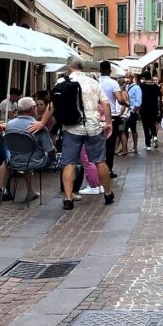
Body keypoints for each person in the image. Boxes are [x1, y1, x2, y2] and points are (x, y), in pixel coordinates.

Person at [32, 58, 113, 211]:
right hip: (93, 127)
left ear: (70, 67)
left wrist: (42, 123)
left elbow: (52, 105)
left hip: (72, 128)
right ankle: (108, 194)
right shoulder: (93, 83)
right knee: (100, 161)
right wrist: (108, 123)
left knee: (68, 163)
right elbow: (106, 103)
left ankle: (68, 199)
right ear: (82, 67)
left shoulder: (62, 82)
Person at [5, 96, 56, 201]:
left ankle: (31, 191)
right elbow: (49, 149)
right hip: (36, 161)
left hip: (15, 160)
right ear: (33, 108)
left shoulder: (9, 125)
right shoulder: (37, 126)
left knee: (26, 154)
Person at [99, 61, 127, 175]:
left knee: (99, 144)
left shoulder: (95, 82)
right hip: (112, 116)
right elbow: (120, 100)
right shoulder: (113, 83)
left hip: (98, 116)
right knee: (110, 145)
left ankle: (99, 170)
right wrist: (127, 104)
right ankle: (108, 170)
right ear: (110, 70)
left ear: (100, 70)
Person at [139, 69, 163, 150]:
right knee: (152, 123)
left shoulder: (142, 86)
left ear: (144, 78)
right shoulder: (155, 86)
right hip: (154, 108)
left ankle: (148, 145)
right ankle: (155, 136)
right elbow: (159, 95)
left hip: (144, 108)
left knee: (146, 126)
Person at [124, 71, 141, 155]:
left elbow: (139, 101)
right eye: (126, 77)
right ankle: (125, 147)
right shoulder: (126, 87)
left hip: (132, 111)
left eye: (128, 77)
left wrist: (134, 111)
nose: (126, 79)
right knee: (125, 129)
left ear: (132, 78)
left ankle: (135, 147)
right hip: (126, 112)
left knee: (133, 129)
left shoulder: (136, 88)